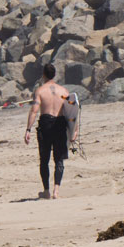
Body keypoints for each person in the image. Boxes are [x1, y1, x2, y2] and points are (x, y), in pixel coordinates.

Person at [24, 63, 78, 199]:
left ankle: (46, 190)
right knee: (59, 159)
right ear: (54, 74)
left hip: (45, 125)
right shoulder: (64, 91)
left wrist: (28, 129)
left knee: (44, 159)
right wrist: (74, 131)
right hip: (60, 125)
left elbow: (34, 111)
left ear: (43, 75)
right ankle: (56, 191)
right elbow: (72, 113)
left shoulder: (40, 91)